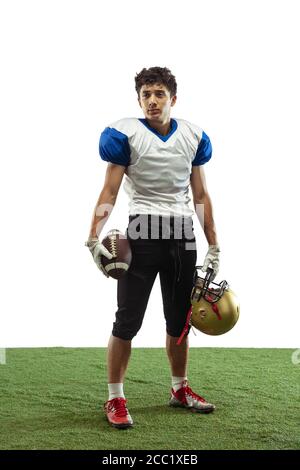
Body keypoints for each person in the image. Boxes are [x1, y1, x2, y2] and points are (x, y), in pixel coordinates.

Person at [86, 67, 220, 429]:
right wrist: (93, 237)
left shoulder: (192, 136)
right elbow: (110, 192)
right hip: (141, 235)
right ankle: (114, 396)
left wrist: (214, 244)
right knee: (127, 320)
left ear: (172, 99)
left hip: (182, 237)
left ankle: (180, 390)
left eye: (159, 94)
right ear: (139, 100)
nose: (152, 101)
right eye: (146, 94)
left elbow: (201, 196)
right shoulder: (125, 134)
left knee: (179, 321)